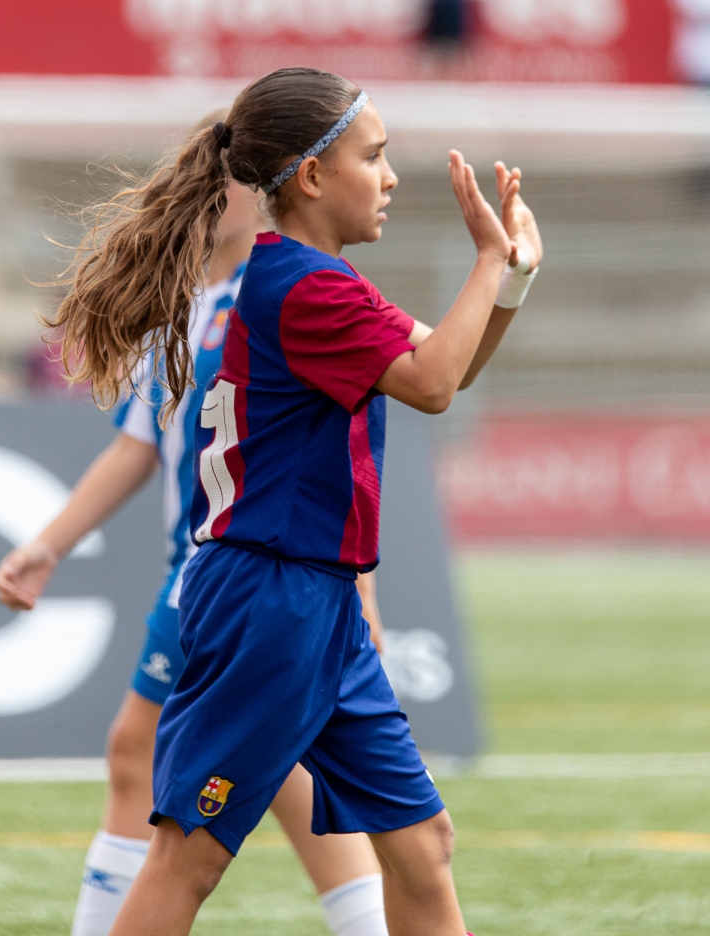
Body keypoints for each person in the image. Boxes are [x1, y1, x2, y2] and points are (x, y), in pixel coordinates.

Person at [48, 66, 542, 936]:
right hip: (268, 600)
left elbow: (448, 368)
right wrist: (487, 261)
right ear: (312, 175)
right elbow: (434, 384)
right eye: (374, 157)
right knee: (190, 857)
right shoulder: (304, 288)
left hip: (317, 599)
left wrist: (511, 281)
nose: (391, 177)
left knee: (421, 845)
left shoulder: (315, 281)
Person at [0, 162, 392, 936]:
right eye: (206, 176)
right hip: (217, 572)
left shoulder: (275, 292)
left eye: (233, 178)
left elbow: (350, 441)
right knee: (276, 769)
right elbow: (136, 446)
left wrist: (364, 588)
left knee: (146, 756)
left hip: (234, 571)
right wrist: (46, 546)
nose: (217, 193)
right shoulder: (180, 314)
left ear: (273, 188)